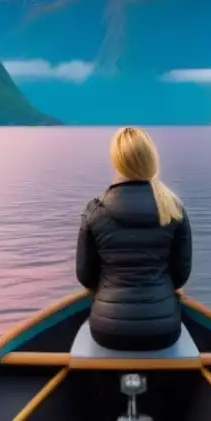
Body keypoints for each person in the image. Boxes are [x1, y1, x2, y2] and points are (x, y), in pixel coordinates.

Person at [76, 126, 192, 352]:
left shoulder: (94, 210)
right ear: (151, 158)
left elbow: (85, 275)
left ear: (116, 161)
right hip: (163, 330)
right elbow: (180, 275)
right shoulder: (174, 209)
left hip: (107, 330)